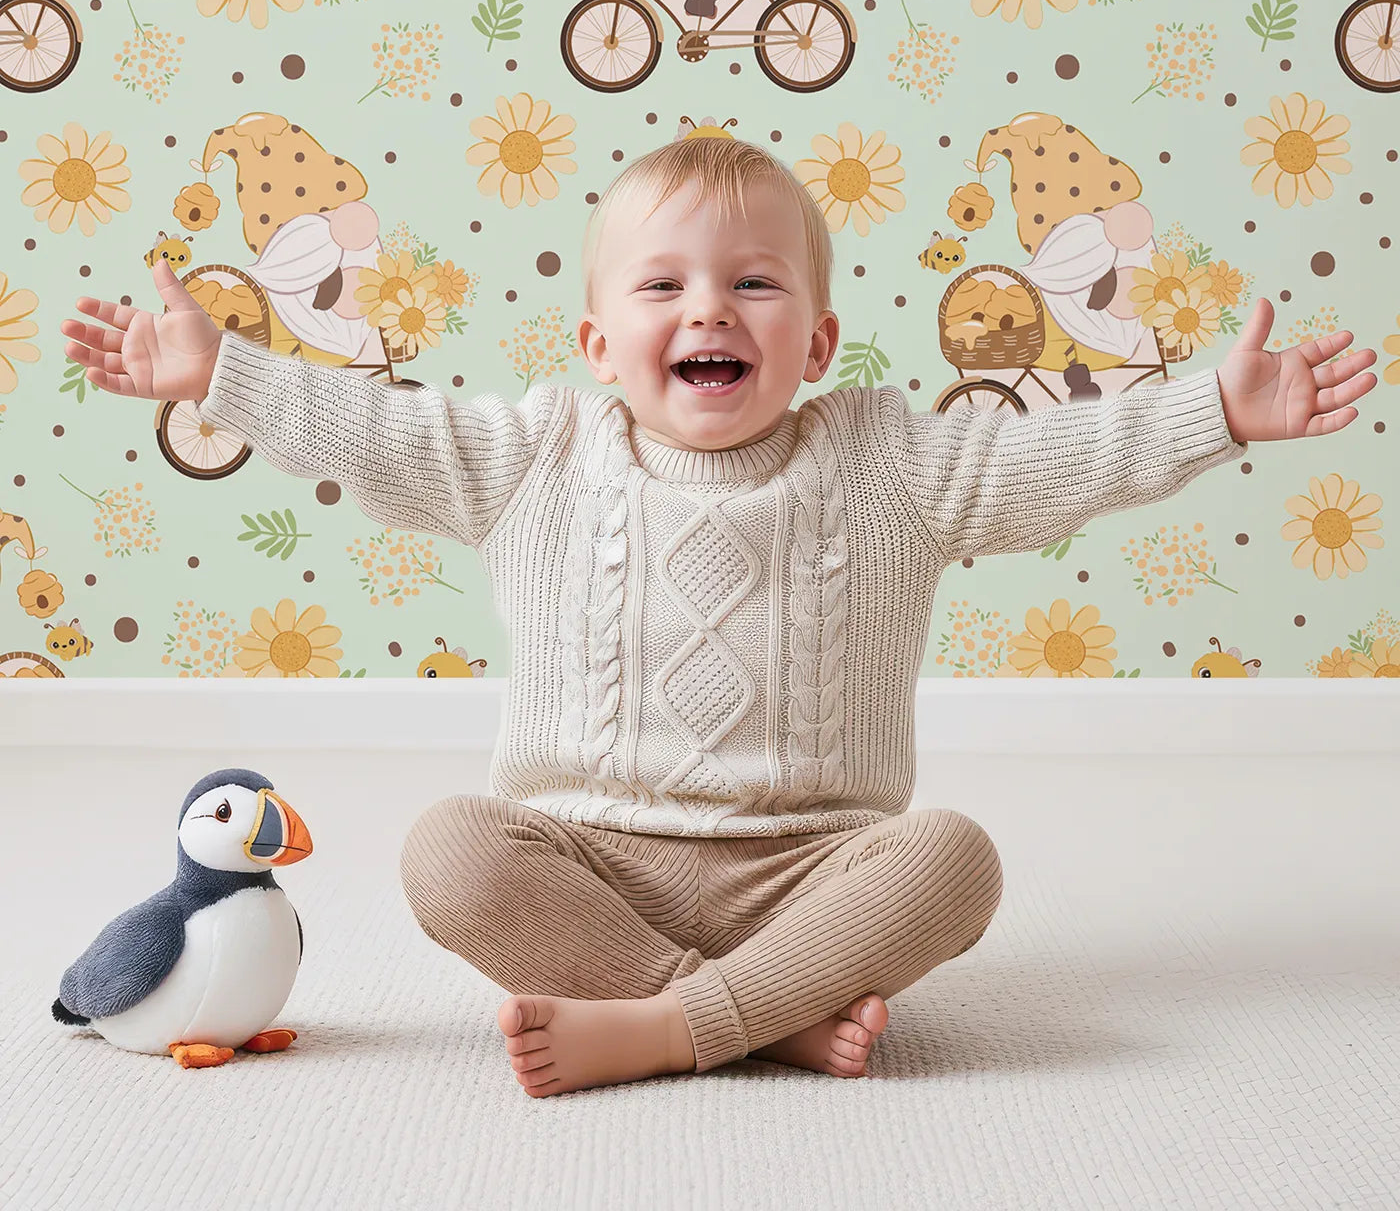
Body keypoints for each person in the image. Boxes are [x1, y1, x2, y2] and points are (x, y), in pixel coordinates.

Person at [59, 135, 1378, 1098]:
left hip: (818, 876)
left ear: (815, 344)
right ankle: (755, 1020)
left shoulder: (890, 462)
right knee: (445, 853)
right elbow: (378, 426)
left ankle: (671, 1026)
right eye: (663, 287)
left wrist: (1217, 409)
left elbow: (1067, 461)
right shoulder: (539, 455)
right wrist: (220, 375)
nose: (708, 308)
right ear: (592, 346)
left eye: (754, 285)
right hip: (590, 873)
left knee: (956, 860)